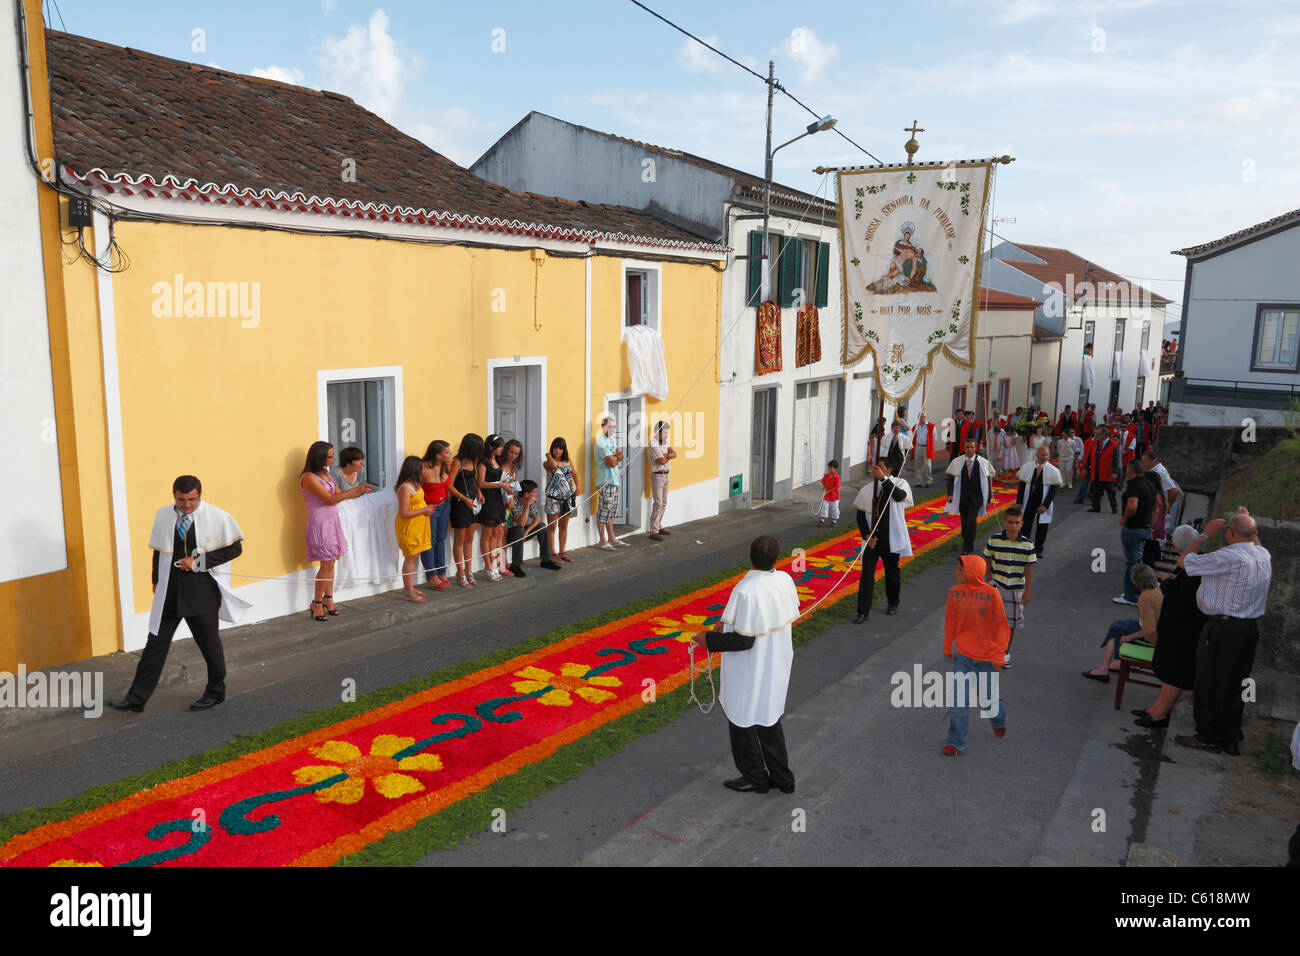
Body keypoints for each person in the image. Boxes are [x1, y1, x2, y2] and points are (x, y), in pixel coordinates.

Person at [108, 475, 249, 713]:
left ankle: (216, 691)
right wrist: (156, 580)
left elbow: (235, 548)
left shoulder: (218, 516)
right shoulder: (163, 515)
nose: (186, 505)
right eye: (181, 500)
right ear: (174, 495)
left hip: (201, 589)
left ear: (200, 495)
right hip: (170, 591)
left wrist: (198, 561)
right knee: (155, 644)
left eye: (192, 500)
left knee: (209, 644)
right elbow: (158, 550)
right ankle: (137, 698)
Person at [689, 535, 800, 794]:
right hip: (775, 663)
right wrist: (726, 623)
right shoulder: (784, 580)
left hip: (751, 669)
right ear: (777, 558)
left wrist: (708, 639)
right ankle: (783, 778)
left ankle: (755, 777)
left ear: (749, 555)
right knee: (769, 719)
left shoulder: (746, 589)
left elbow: (743, 640)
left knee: (743, 721)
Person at [1176, 510, 1273, 756]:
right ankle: (1230, 737)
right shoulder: (1263, 555)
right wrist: (1248, 523)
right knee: (1236, 682)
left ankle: (1208, 736)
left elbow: (1183, 562)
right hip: (1249, 629)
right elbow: (1255, 542)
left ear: (1228, 534)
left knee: (1210, 682)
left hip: (1223, 627)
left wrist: (1205, 535)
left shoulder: (1225, 557)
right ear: (1254, 534)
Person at [1133, 525, 1206, 728]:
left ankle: (1160, 713)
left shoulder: (1193, 566)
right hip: (1181, 629)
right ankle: (1157, 707)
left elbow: (1186, 600)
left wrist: (1167, 583)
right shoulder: (1196, 561)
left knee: (1174, 673)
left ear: (1177, 547)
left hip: (1183, 631)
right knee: (1171, 674)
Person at [942, 554, 1009, 755]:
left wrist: (999, 654)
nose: (956, 573)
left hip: (987, 658)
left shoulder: (992, 594)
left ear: (972, 572)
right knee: (958, 701)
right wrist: (948, 643)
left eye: (960, 570)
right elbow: (951, 620)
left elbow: (1002, 625)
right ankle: (955, 742)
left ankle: (998, 719)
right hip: (963, 657)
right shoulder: (954, 593)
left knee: (989, 698)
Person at [300, 440, 372, 620]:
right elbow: (330, 499)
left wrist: (360, 491)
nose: (333, 459)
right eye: (330, 456)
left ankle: (328, 599)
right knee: (325, 564)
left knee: (332, 563)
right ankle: (316, 603)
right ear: (320, 457)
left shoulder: (325, 473)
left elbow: (339, 494)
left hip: (332, 520)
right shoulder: (308, 478)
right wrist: (355, 490)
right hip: (320, 522)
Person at [852, 457, 912, 623]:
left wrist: (883, 480)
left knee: (892, 572)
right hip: (872, 540)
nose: (875, 470)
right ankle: (862, 611)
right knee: (867, 575)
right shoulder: (867, 489)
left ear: (889, 470)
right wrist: (867, 535)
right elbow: (860, 516)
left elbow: (900, 497)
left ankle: (893, 602)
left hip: (890, 539)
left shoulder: (899, 483)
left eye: (880, 467)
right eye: (875, 467)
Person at [1083, 564, 1162, 681]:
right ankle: (1117, 663)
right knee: (1121, 626)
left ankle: (1104, 669)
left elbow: (1150, 628)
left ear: (1136, 582)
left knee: (1116, 628)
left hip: (1155, 636)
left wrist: (1130, 637)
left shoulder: (1145, 597)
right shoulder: (1159, 587)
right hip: (1162, 630)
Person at [983, 507, 1035, 669]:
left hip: (1016, 588)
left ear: (1021, 524)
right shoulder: (994, 540)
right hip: (997, 586)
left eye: (1016, 523)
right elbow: (988, 559)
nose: (1013, 526)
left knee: (1010, 623)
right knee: (992, 621)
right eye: (1010, 522)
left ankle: (1005, 653)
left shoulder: (1027, 544)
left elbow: (1028, 568)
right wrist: (989, 581)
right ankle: (991, 650)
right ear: (1004, 522)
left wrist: (1027, 591)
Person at [394, 455, 435, 602]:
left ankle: (409, 587)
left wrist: (426, 509)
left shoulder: (416, 484)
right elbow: (404, 513)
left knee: (414, 557)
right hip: (409, 527)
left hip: (418, 526)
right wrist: (424, 511)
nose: (424, 470)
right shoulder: (405, 488)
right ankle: (408, 591)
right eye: (421, 468)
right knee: (410, 558)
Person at [1115, 459, 1155, 606]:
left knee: (1133, 562)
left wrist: (1124, 519)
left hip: (1133, 527)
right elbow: (1154, 506)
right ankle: (1137, 591)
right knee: (1138, 560)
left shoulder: (1134, 486)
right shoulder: (1149, 484)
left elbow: (1132, 506)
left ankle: (1130, 595)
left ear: (1130, 471)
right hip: (1145, 526)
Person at [945, 438, 995, 554]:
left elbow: (987, 482)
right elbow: (951, 479)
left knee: (971, 521)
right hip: (962, 497)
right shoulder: (957, 462)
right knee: (964, 522)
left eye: (972, 447)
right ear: (964, 448)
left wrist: (988, 498)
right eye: (967, 447)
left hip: (976, 498)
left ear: (976, 448)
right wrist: (950, 494)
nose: (969, 450)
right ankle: (968, 541)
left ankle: (966, 547)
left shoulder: (982, 462)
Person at [449, 433, 485, 588]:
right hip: (460, 504)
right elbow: (449, 485)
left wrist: (480, 493)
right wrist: (464, 499)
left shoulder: (474, 460)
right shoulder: (457, 461)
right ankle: (460, 572)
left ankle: (469, 570)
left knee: (470, 538)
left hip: (473, 503)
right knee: (460, 539)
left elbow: (473, 480)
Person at [419, 440, 455, 591]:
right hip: (430, 510)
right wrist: (422, 508)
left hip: (444, 506)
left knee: (441, 540)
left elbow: (449, 486)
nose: (450, 454)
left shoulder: (446, 466)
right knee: (429, 542)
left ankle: (442, 571)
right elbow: (413, 490)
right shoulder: (422, 468)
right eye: (447, 452)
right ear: (438, 455)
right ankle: (431, 575)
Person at [1016, 445, 1062, 557]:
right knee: (1026, 524)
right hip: (1029, 500)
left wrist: (1045, 506)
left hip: (1042, 502)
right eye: (1042, 454)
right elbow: (1021, 487)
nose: (1044, 457)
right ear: (1037, 455)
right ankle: (1025, 546)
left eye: (1046, 455)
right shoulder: (1027, 467)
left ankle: (1038, 548)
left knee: (1042, 526)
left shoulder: (1053, 470)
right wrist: (1019, 501)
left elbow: (1052, 492)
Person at [476, 434, 509, 581]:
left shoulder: (498, 461)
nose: (502, 449)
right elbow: (481, 483)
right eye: (499, 446)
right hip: (488, 501)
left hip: (498, 501)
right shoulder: (483, 463)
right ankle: (488, 565)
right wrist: (500, 484)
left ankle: (495, 563)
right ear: (491, 447)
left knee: (497, 534)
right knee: (487, 534)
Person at [543, 436, 581, 563]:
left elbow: (575, 474)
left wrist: (578, 487)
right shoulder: (547, 463)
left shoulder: (568, 461)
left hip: (567, 499)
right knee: (552, 527)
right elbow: (554, 465)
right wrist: (548, 454)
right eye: (555, 448)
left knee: (564, 527)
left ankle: (562, 552)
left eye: (560, 448)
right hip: (553, 500)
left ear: (564, 449)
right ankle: (552, 553)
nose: (557, 450)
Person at [506, 479, 552, 576]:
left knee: (542, 526)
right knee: (519, 529)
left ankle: (546, 560)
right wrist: (527, 505)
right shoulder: (514, 502)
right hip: (509, 534)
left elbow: (537, 519)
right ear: (526, 494)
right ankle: (515, 565)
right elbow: (521, 523)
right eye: (534, 492)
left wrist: (527, 531)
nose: (536, 494)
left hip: (522, 532)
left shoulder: (528, 500)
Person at [594, 416, 626, 551]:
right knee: (603, 510)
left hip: (614, 480)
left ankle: (612, 538)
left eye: (614, 426)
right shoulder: (601, 442)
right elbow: (612, 462)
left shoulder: (611, 440)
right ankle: (602, 540)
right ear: (603, 426)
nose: (612, 429)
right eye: (609, 426)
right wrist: (615, 458)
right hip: (605, 481)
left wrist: (615, 457)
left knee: (611, 511)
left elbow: (621, 455)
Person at [647, 420, 676, 540]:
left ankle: (659, 526)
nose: (666, 435)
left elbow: (674, 453)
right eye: (664, 432)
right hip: (657, 475)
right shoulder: (653, 444)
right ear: (658, 432)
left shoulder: (664, 442)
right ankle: (653, 530)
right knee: (658, 503)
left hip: (666, 474)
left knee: (664, 502)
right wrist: (668, 456)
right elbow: (661, 461)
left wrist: (667, 456)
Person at [1085, 424, 1122, 513]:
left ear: (1104, 435)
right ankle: (1096, 507)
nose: (1095, 436)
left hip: (1108, 473)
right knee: (1095, 491)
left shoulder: (1113, 444)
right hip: (1096, 471)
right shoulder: (1094, 443)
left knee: (1111, 492)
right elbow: (1090, 456)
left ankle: (1114, 507)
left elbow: (1116, 460)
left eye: (1098, 434)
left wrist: (1115, 472)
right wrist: (1086, 467)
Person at [910, 411, 935, 487]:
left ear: (926, 417)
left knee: (927, 465)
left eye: (924, 416)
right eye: (921, 416)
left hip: (927, 447)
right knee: (918, 464)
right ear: (918, 418)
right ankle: (919, 481)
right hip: (918, 447)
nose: (922, 418)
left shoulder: (931, 426)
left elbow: (934, 437)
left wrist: (930, 445)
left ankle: (928, 481)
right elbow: (914, 436)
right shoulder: (916, 426)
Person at [817, 459, 841, 527]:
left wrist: (828, 491)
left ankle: (834, 521)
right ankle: (822, 520)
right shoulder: (826, 475)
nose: (829, 469)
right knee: (824, 507)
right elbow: (823, 481)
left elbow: (836, 487)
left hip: (834, 496)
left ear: (835, 468)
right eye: (828, 468)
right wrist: (824, 487)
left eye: (831, 468)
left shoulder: (837, 478)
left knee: (835, 508)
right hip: (826, 496)